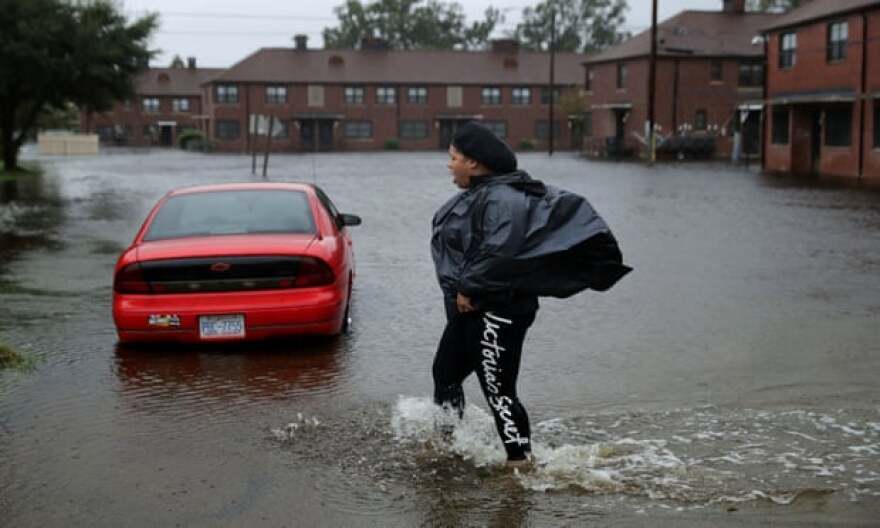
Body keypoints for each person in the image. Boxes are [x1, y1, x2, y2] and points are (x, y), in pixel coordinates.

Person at [430, 121, 631, 468]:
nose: (449, 165)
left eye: (454, 158)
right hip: (472, 308)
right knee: (445, 373)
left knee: (499, 390)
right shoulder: (483, 194)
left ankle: (520, 462)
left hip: (499, 310)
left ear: (474, 163)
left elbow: (500, 251)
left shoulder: (504, 199)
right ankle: (446, 445)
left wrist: (467, 287)